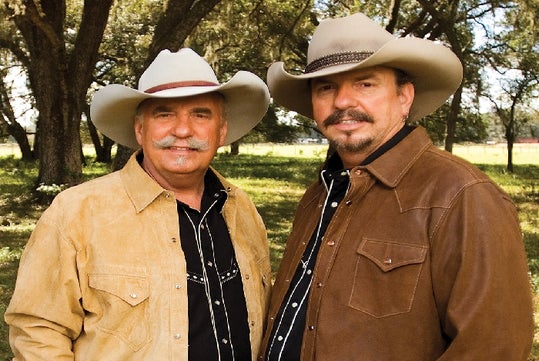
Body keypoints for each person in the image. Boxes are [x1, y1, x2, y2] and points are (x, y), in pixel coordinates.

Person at [259, 12, 534, 361]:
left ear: (404, 97)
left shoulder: (461, 195)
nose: (342, 101)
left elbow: (494, 348)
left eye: (365, 84)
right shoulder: (320, 193)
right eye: (326, 87)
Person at [5, 48, 272, 360]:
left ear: (221, 130)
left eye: (200, 114)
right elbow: (37, 331)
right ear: (140, 129)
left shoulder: (242, 209)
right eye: (164, 114)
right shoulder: (76, 213)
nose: (183, 130)